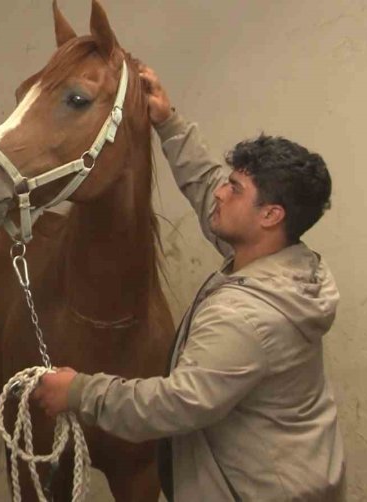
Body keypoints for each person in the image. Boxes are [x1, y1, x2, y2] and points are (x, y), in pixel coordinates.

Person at [32, 64, 346, 501]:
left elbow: (176, 405)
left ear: (270, 216)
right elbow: (205, 183)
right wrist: (168, 121)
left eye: (234, 189)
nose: (220, 191)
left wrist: (80, 392)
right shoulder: (286, 263)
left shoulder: (247, 315)